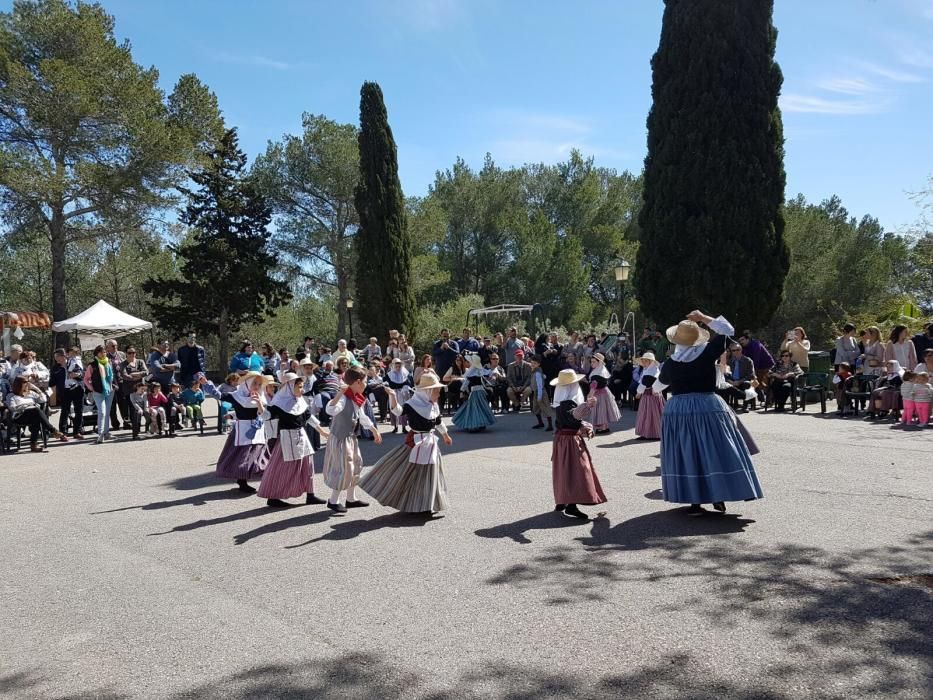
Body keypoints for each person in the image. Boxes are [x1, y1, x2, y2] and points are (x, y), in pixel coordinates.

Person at [659, 311, 763, 515]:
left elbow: (660, 384)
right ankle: (718, 495)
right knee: (713, 451)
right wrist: (702, 317)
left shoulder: (671, 363)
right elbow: (727, 330)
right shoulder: (707, 352)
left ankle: (695, 501)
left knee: (688, 453)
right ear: (697, 337)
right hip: (707, 407)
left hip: (678, 411)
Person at [360, 372, 452, 515]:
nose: (438, 395)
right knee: (408, 473)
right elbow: (398, 412)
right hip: (416, 443)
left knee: (431, 475)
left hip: (431, 444)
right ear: (426, 391)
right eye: (436, 391)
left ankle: (428, 504)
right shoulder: (412, 404)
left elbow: (438, 422)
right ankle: (414, 502)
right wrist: (393, 397)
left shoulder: (433, 405)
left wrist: (445, 435)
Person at [259, 373, 331, 508]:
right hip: (286, 439)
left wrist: (322, 431)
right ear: (290, 387)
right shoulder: (279, 403)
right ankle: (273, 497)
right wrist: (259, 405)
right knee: (281, 468)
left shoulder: (300, 401)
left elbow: (309, 417)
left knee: (308, 466)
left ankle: (310, 495)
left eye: (302, 387)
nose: (302, 390)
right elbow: (267, 416)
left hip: (302, 436)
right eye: (299, 387)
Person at [322, 366, 382, 513]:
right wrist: (338, 394)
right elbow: (330, 410)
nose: (366, 384)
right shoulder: (344, 397)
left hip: (350, 437)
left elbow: (362, 416)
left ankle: (351, 499)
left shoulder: (355, 397)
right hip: (340, 438)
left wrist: (373, 430)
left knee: (355, 465)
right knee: (343, 469)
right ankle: (333, 500)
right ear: (357, 382)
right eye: (365, 381)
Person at [550, 368, 606, 521]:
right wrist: (587, 405)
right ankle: (571, 506)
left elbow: (571, 420)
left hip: (562, 440)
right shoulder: (567, 403)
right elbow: (574, 415)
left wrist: (584, 426)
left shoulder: (561, 402)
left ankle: (562, 501)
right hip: (569, 442)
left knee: (563, 471)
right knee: (577, 471)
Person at [208, 371, 273, 492]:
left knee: (258, 456)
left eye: (259, 384)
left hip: (257, 430)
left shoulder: (260, 397)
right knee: (241, 456)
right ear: (247, 383)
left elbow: (264, 415)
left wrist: (259, 403)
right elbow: (219, 395)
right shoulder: (236, 396)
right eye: (254, 383)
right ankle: (242, 481)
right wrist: (206, 383)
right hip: (241, 431)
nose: (257, 386)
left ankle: (263, 479)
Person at [6, 376, 69, 451]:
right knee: (36, 410)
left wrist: (36, 388)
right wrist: (27, 406)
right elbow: (13, 408)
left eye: (28, 382)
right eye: (25, 382)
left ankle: (34, 444)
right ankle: (53, 431)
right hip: (19, 416)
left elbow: (43, 400)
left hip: (32, 414)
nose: (27, 384)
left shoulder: (31, 393)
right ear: (18, 384)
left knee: (36, 417)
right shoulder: (11, 395)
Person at [452, 354, 496, 432]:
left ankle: (474, 425)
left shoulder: (471, 372)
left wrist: (461, 391)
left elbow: (465, 383)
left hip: (474, 393)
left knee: (474, 408)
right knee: (482, 407)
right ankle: (481, 423)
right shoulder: (480, 370)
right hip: (481, 391)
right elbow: (490, 373)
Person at [83, 345, 115, 444]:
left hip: (109, 391)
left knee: (107, 412)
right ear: (96, 353)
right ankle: (100, 434)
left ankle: (106, 432)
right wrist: (92, 389)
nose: (103, 353)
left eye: (104, 352)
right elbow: (86, 379)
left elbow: (111, 376)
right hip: (98, 392)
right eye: (101, 352)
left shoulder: (108, 363)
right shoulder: (92, 365)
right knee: (102, 412)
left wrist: (110, 386)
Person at [635, 352, 665, 439]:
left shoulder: (649, 373)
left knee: (649, 414)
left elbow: (643, 385)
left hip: (649, 396)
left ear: (651, 362)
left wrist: (638, 393)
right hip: (655, 395)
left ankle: (652, 433)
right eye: (643, 361)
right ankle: (651, 432)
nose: (643, 363)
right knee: (653, 415)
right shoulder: (654, 370)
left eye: (645, 361)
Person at [588, 352, 620, 434]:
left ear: (599, 362)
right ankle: (604, 427)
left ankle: (602, 427)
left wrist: (589, 396)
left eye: (594, 362)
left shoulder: (596, 374)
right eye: (591, 362)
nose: (592, 363)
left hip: (599, 394)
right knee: (603, 410)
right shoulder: (601, 370)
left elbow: (593, 387)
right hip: (605, 393)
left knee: (600, 410)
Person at [58, 346, 86, 439]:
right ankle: (63, 433)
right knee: (65, 411)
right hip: (66, 388)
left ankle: (77, 431)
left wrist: (79, 374)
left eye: (74, 352)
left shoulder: (79, 361)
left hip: (78, 388)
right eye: (70, 352)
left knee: (79, 410)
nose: (72, 354)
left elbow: (83, 373)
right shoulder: (63, 362)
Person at [719, 342, 757, 408]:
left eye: (738, 350)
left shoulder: (748, 360)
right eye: (734, 350)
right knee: (723, 386)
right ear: (732, 352)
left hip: (743, 381)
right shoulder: (729, 362)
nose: (736, 352)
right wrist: (730, 381)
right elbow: (724, 374)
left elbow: (751, 375)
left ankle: (745, 407)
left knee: (746, 384)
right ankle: (727, 406)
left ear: (741, 350)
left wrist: (739, 381)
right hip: (731, 381)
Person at [737, 331, 774, 395]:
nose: (741, 342)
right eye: (740, 340)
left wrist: (753, 372)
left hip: (767, 366)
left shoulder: (756, 344)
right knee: (756, 383)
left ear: (748, 339)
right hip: (758, 367)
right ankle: (762, 395)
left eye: (742, 339)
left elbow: (756, 359)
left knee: (760, 382)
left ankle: (769, 398)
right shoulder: (743, 347)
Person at [119, 347, 147, 429]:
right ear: (126, 354)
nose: (132, 354)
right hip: (129, 390)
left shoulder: (140, 361)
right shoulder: (122, 364)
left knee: (143, 406)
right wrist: (137, 376)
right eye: (129, 353)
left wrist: (133, 374)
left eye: (133, 352)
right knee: (133, 408)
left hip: (141, 390)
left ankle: (142, 424)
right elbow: (124, 375)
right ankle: (135, 427)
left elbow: (146, 372)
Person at [386, 358, 412, 434]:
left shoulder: (404, 374)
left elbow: (409, 382)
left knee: (402, 410)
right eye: (396, 366)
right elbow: (385, 382)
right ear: (393, 366)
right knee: (393, 409)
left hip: (402, 393)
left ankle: (404, 427)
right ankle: (395, 426)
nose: (397, 368)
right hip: (393, 393)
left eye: (399, 366)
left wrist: (406, 387)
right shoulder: (390, 374)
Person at [528, 355, 554, 431]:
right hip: (536, 392)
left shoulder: (537, 373)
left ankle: (550, 425)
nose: (532, 364)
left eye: (535, 363)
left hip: (541, 393)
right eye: (532, 362)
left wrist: (539, 396)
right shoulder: (534, 371)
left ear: (538, 364)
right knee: (535, 408)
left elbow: (539, 385)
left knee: (545, 408)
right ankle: (540, 423)